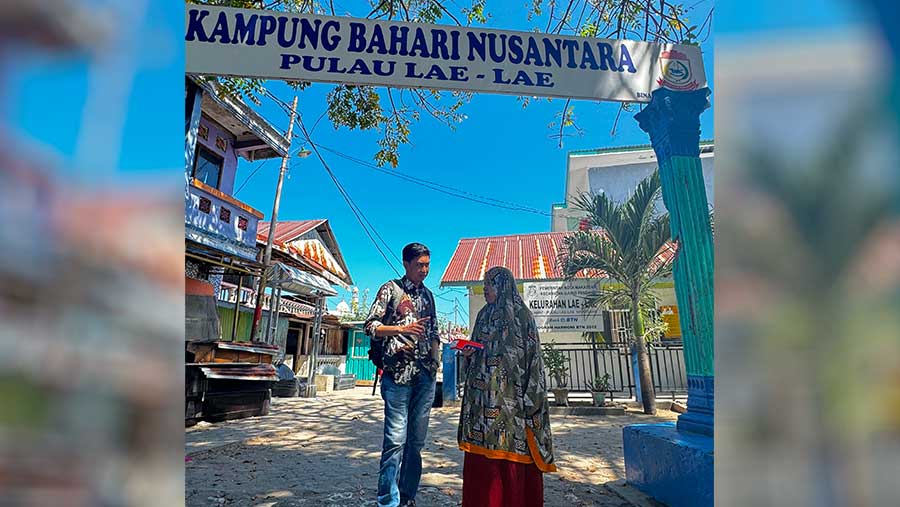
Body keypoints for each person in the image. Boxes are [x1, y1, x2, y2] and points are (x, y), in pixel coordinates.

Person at [458, 266, 557, 507]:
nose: (485, 289)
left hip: (513, 406)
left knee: (511, 453)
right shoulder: (483, 315)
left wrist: (532, 402)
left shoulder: (522, 316)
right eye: (485, 283)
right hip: (482, 404)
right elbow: (477, 349)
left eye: (490, 284)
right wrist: (469, 353)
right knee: (483, 464)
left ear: (503, 285)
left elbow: (533, 361)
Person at [365, 243, 441, 507]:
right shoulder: (390, 290)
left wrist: (435, 363)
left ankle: (407, 496)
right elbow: (370, 326)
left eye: (427, 265)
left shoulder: (429, 296)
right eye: (419, 265)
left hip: (424, 377)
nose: (424, 270)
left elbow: (434, 334)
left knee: (416, 443)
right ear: (406, 264)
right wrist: (399, 330)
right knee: (395, 441)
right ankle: (387, 500)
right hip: (397, 376)